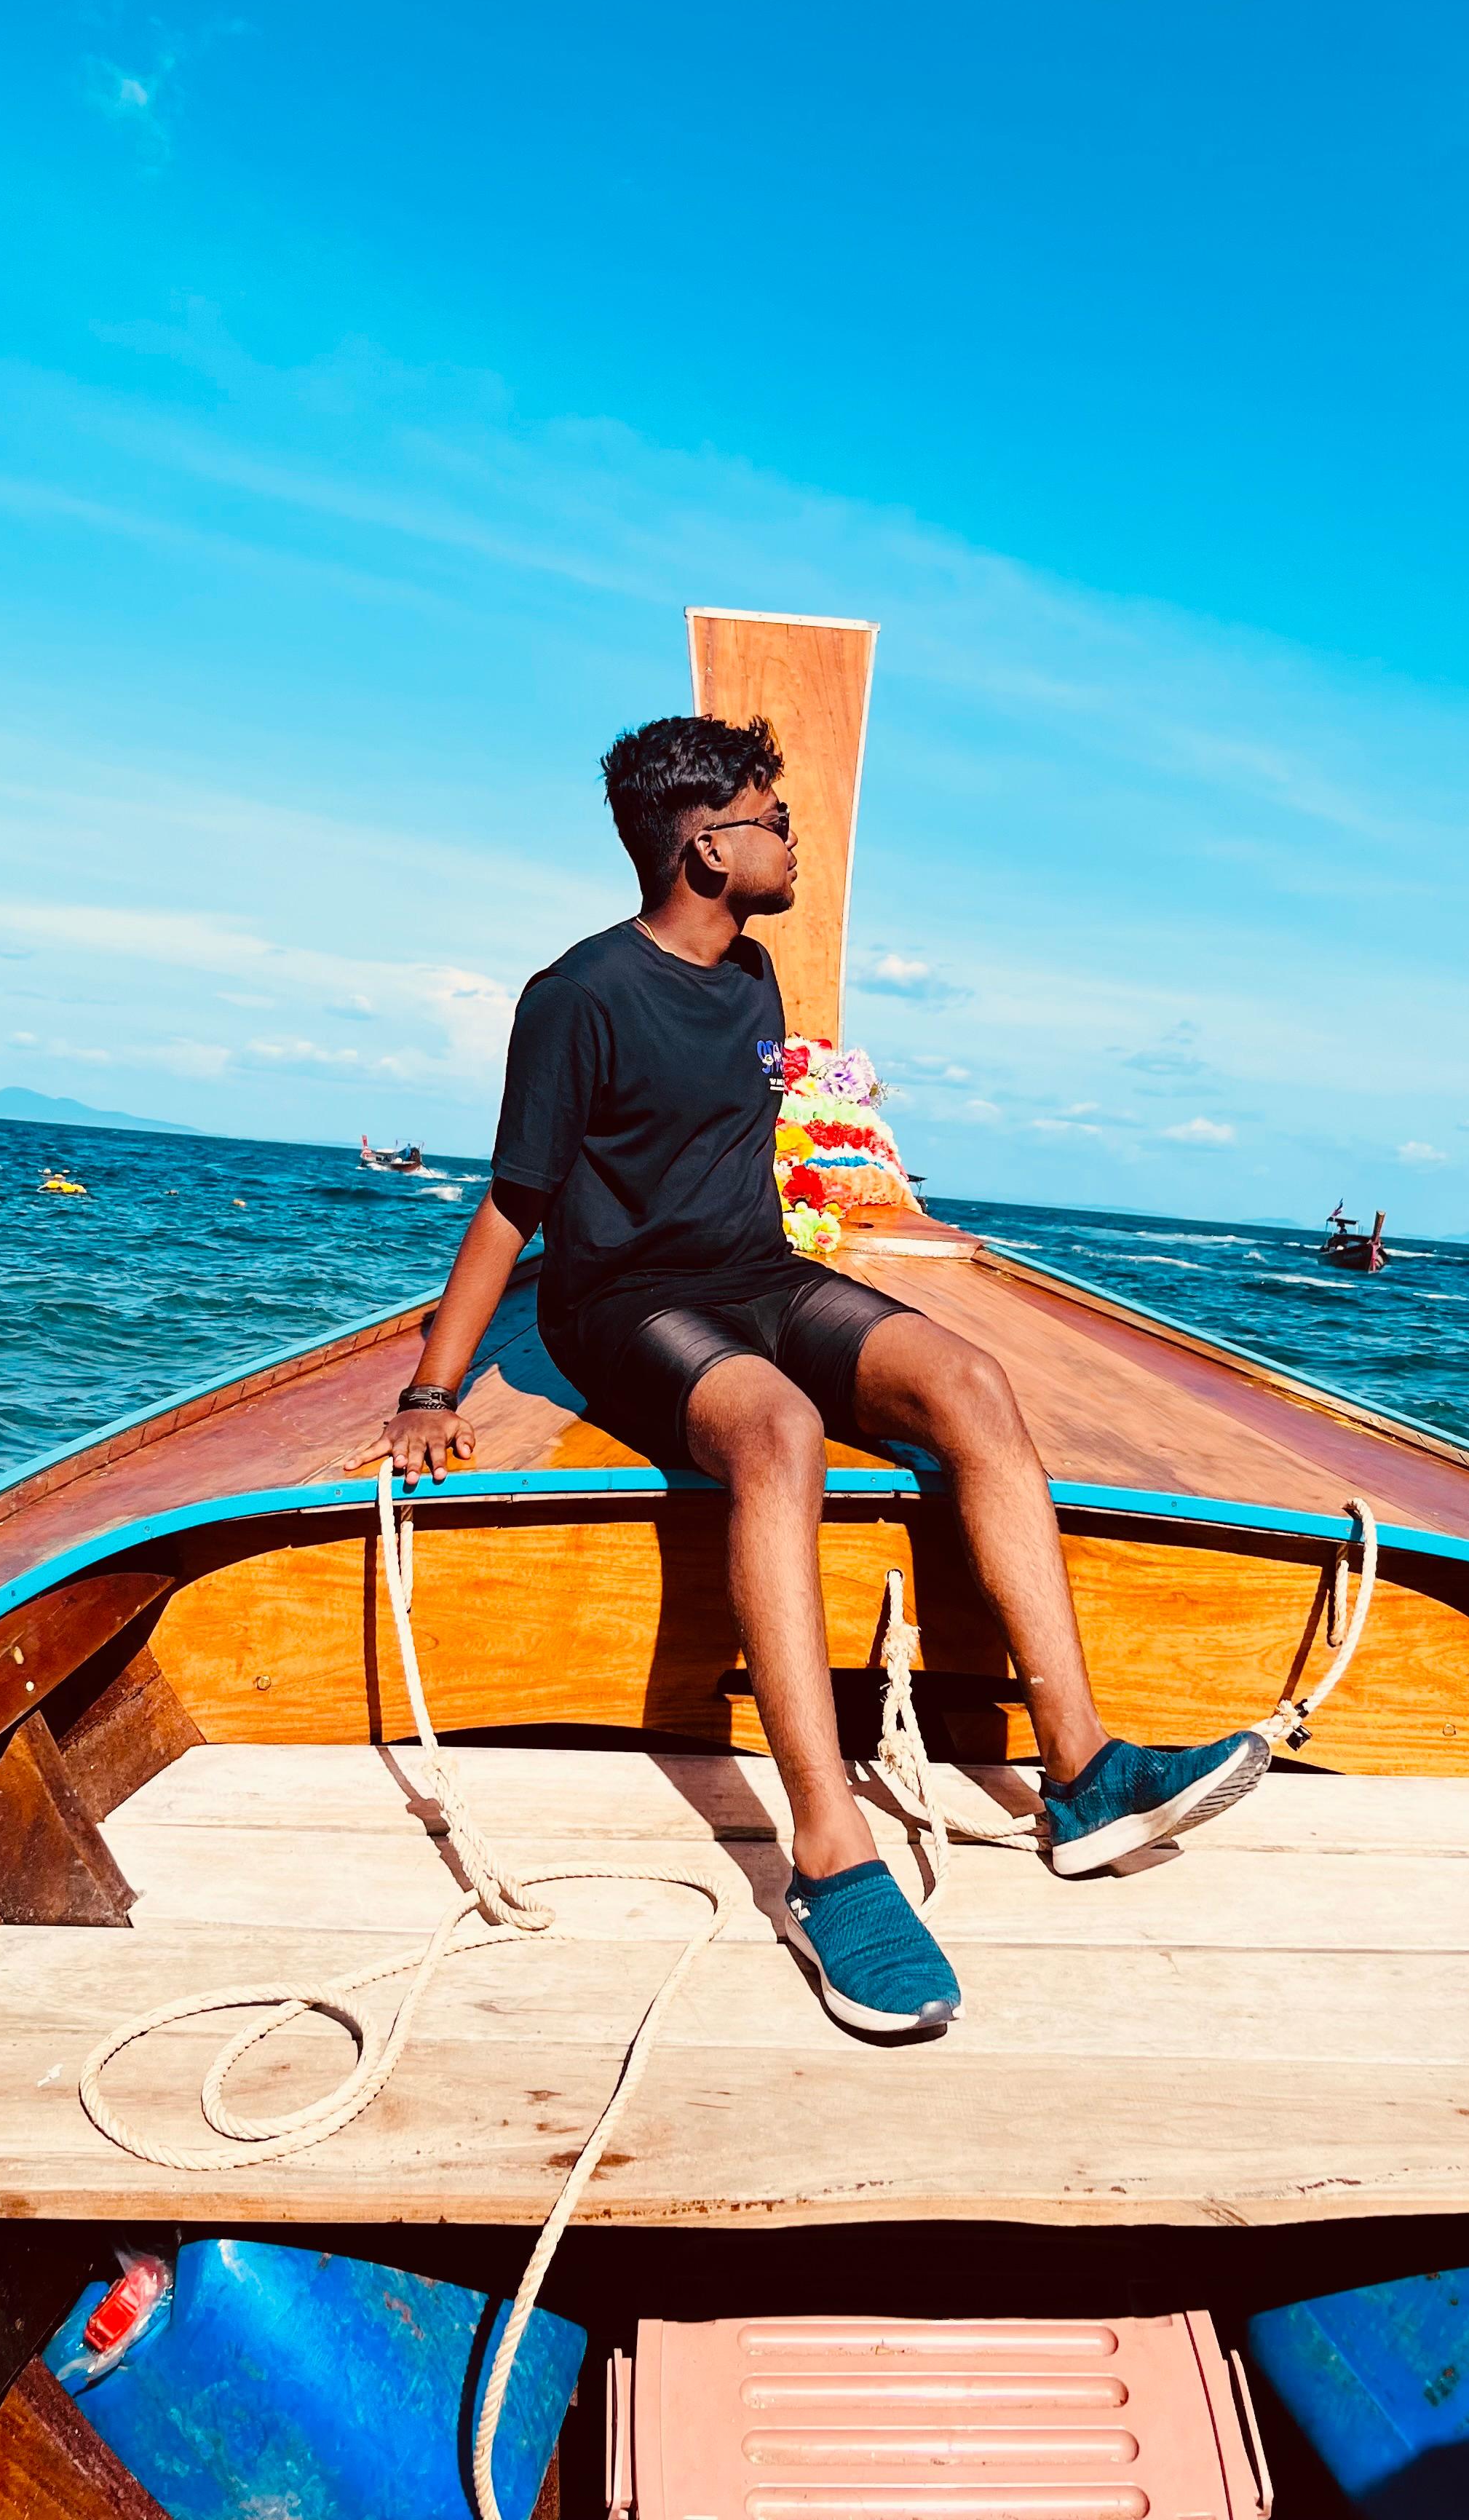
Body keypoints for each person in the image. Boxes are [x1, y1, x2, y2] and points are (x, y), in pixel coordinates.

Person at [363, 715, 1267, 2037]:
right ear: (706, 845)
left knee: (968, 1379)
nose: (795, 842)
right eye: (775, 821)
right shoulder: (576, 996)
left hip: (759, 1273)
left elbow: (731, 1160)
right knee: (776, 1430)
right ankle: (831, 1858)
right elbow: (514, 1206)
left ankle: (1083, 1775)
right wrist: (434, 1394)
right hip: (625, 1304)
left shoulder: (756, 978)